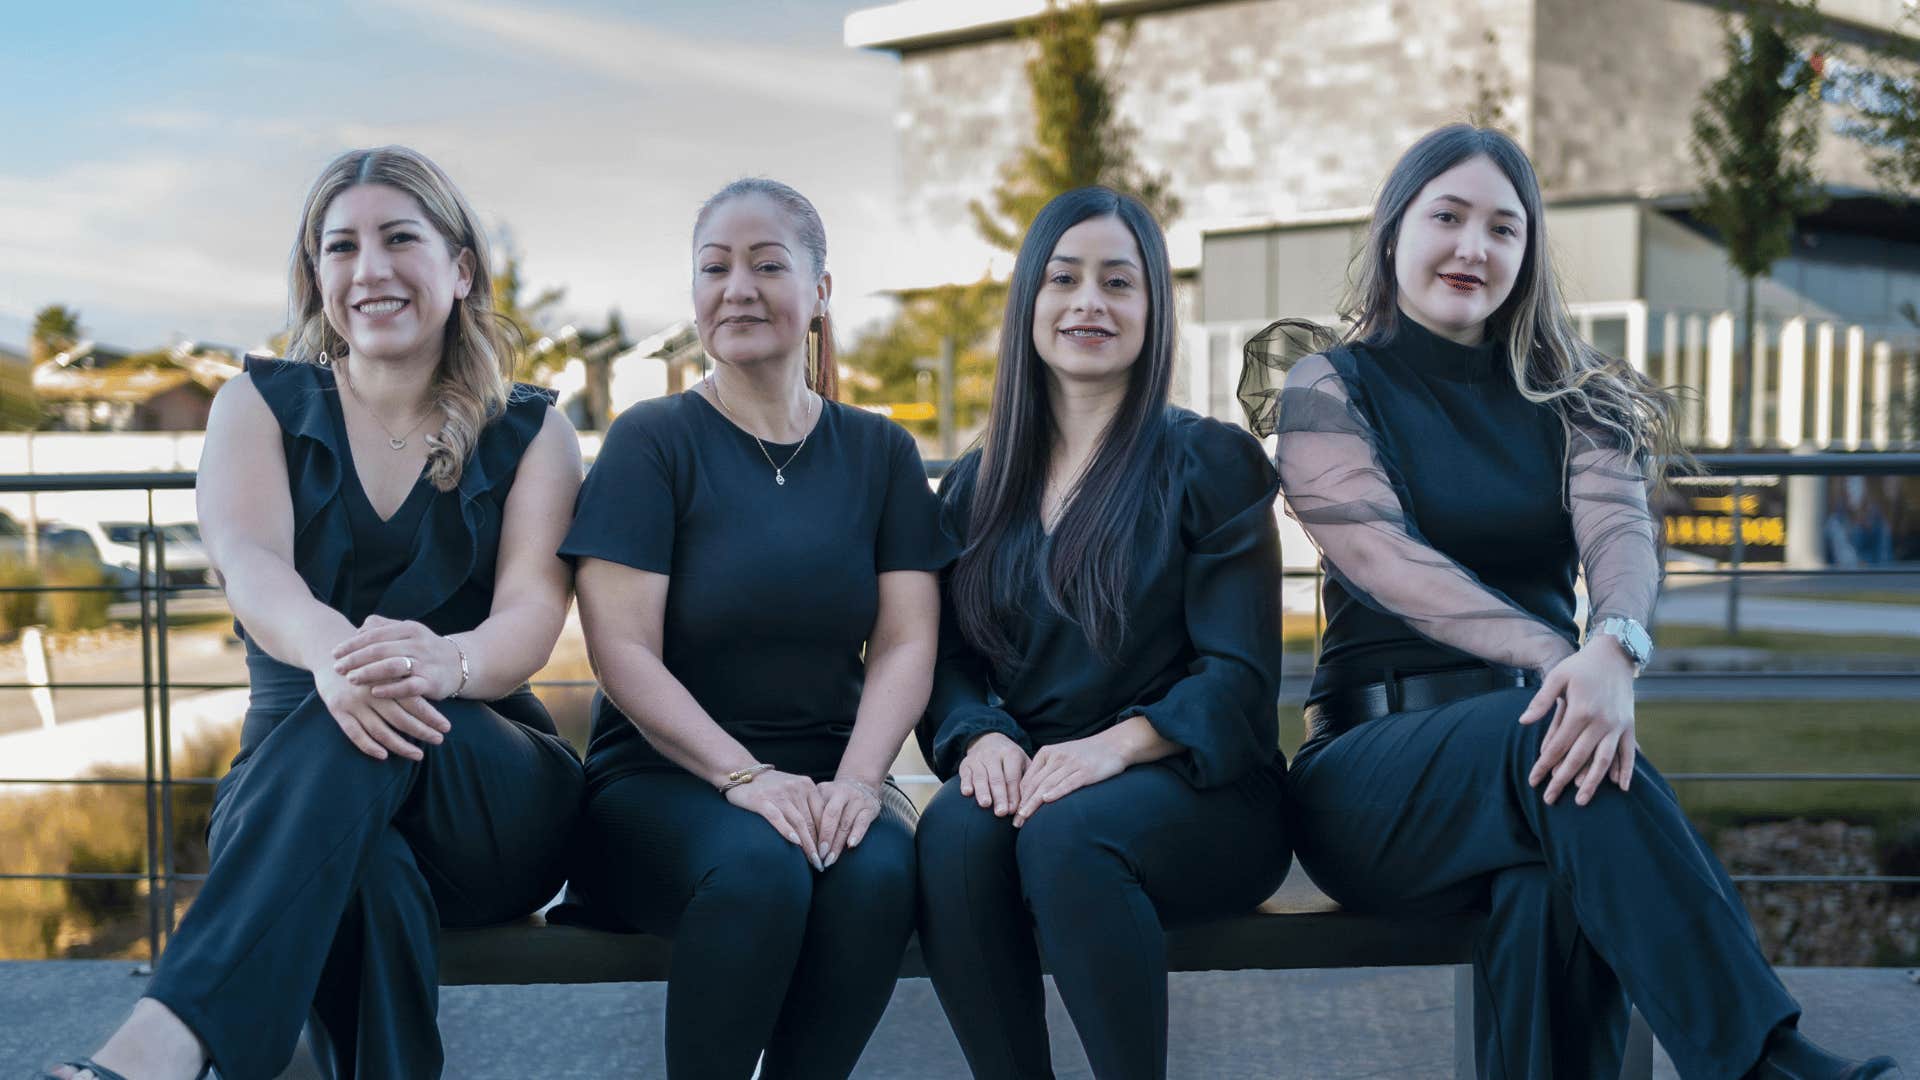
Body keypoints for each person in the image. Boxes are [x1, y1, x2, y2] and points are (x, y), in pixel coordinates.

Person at [1245, 124, 1901, 1080]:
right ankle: (1768, 1064)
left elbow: (1621, 538)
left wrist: (1616, 647)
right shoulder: (1326, 385)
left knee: (1544, 886)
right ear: (1393, 232)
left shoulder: (1573, 397)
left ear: (1528, 252)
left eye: (1504, 229)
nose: (1475, 247)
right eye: (1450, 217)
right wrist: (1566, 662)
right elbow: (1383, 558)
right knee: (1556, 740)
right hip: (1377, 779)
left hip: (1544, 750)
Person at [43, 146, 586, 1080]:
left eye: (398, 238)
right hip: (291, 805)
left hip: (485, 794)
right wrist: (336, 655)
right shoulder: (256, 405)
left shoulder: (532, 428)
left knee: (360, 716)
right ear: (317, 278)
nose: (368, 268)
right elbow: (250, 566)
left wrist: (439, 665)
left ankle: (158, 1046)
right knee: (365, 862)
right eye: (340, 248)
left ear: (461, 270)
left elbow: (532, 614)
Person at [559, 177, 950, 1079]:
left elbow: (906, 642)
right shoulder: (651, 440)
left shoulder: (880, 451)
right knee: (761, 869)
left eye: (768, 264)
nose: (738, 287)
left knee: (881, 874)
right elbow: (619, 649)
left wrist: (858, 784)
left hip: (829, 771)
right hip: (666, 781)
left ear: (819, 293)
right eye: (715, 267)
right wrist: (744, 778)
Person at [915, 186, 1291, 1080]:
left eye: (1119, 283)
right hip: (1043, 782)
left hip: (1203, 793)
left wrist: (1114, 750)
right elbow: (949, 665)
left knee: (1069, 835)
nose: (1090, 302)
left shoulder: (1208, 462)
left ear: (1153, 309)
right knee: (952, 840)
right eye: (1064, 279)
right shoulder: (975, 485)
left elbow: (1239, 684)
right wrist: (981, 739)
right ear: (1030, 307)